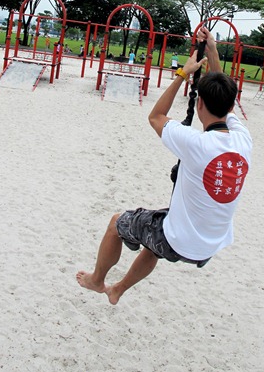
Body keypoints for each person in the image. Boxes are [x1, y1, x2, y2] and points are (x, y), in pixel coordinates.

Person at [76, 26, 253, 305]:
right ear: (231, 107)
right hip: (212, 243)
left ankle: (97, 280)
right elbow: (223, 96)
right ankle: (118, 289)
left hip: (181, 240)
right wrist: (213, 51)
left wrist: (183, 73)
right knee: (155, 240)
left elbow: (156, 116)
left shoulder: (196, 143)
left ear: (200, 105)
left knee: (116, 223)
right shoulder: (243, 139)